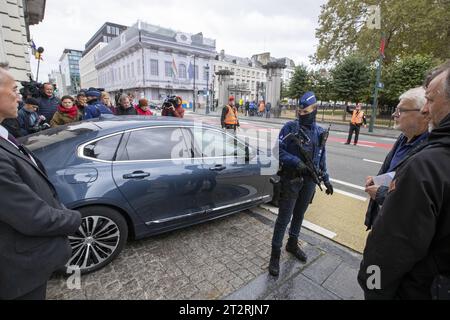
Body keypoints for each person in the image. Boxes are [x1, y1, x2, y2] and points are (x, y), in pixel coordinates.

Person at [357, 62, 450, 299]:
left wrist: (373, 285)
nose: (395, 115)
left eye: (401, 110)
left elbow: (394, 247)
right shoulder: (403, 140)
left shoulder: (428, 161)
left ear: (419, 114)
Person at [0, 67, 81, 300]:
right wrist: (73, 219)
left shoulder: (5, 137)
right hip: (17, 273)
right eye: (14, 90)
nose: (19, 96)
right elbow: (30, 215)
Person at [268, 91, 333, 276]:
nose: (301, 114)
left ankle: (292, 244)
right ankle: (275, 255)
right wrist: (297, 163)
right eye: (299, 111)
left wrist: (326, 179)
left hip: (310, 182)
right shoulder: (289, 128)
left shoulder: (320, 132)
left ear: (314, 110)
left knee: (299, 215)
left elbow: (321, 157)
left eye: (305, 111)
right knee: (283, 218)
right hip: (291, 180)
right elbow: (277, 151)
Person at [364, 87, 430, 230]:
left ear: (423, 113)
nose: (394, 114)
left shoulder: (430, 151)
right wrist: (377, 180)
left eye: (401, 110)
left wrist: (381, 193)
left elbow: (419, 202)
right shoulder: (403, 137)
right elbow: (394, 172)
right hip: (384, 219)